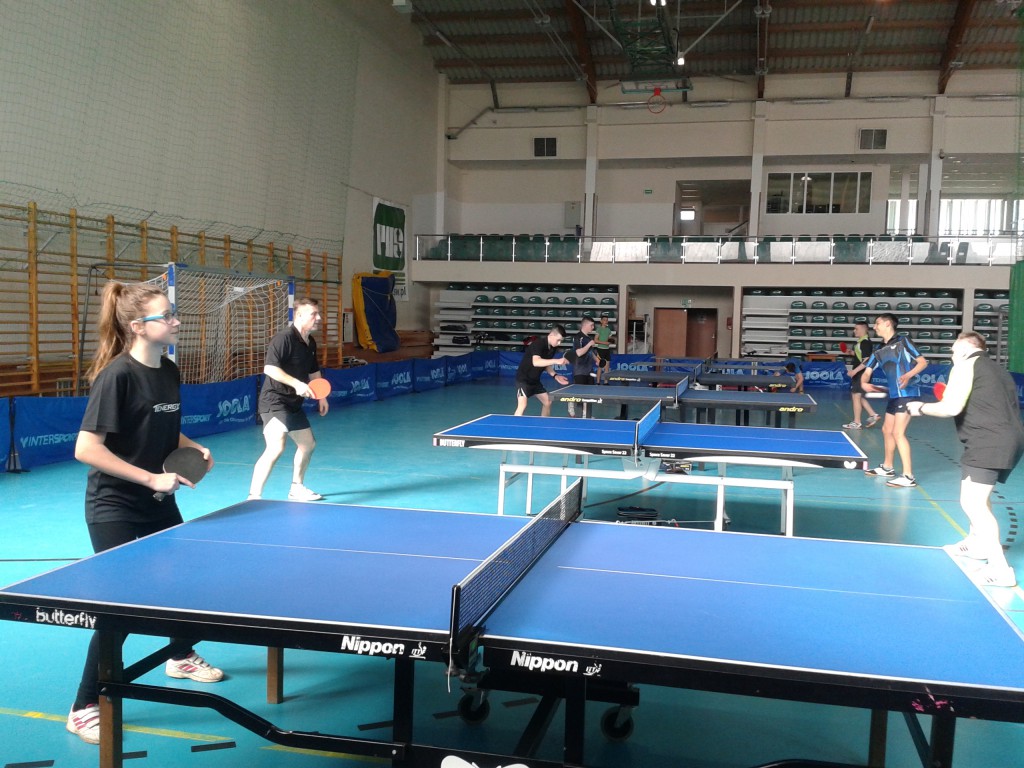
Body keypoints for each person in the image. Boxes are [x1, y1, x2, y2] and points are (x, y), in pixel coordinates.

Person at [68, 281, 220, 745]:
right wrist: (152, 479)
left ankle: (180, 655)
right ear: (138, 326)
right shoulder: (117, 376)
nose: (176, 321)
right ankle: (84, 706)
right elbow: (86, 448)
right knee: (120, 608)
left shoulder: (168, 370)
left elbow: (165, 430)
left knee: (184, 584)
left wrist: (194, 447)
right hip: (114, 506)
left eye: (174, 313)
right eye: (167, 315)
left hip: (157, 503)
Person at [907, 332, 1022, 587]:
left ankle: (1000, 569)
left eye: (952, 351)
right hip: (1009, 438)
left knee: (972, 503)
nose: (951, 355)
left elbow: (951, 408)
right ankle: (977, 544)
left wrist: (920, 407)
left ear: (963, 349)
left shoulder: (965, 364)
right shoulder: (998, 370)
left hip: (988, 440)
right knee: (980, 497)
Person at [248, 298, 329, 501]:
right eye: (314, 314)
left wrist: (322, 396)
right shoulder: (284, 338)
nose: (318, 318)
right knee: (276, 447)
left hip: (293, 404)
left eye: (318, 313)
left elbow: (313, 371)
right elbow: (270, 368)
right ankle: (253, 497)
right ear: (299, 315)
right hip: (274, 401)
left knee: (308, 444)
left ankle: (296, 488)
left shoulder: (310, 342)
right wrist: (297, 384)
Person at [861, 313, 928, 488]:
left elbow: (922, 362)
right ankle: (888, 467)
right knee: (886, 430)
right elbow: (867, 371)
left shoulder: (903, 341)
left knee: (898, 433)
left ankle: (908, 476)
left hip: (908, 393)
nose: (874, 327)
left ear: (888, 324)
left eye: (877, 323)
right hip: (895, 395)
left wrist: (908, 375)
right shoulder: (878, 350)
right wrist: (864, 382)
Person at [515, 324, 569, 416]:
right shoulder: (538, 344)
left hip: (535, 381)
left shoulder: (553, 348)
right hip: (523, 380)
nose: (559, 343)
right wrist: (556, 361)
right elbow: (536, 362)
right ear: (551, 335)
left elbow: (546, 364)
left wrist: (555, 376)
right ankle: (514, 424)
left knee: (547, 402)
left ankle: (544, 422)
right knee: (522, 405)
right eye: (558, 340)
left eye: (561, 341)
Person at [843, 321, 881, 430]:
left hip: (862, 373)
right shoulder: (861, 342)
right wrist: (851, 353)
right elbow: (861, 356)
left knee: (856, 395)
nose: (854, 331)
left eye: (856, 329)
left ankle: (857, 422)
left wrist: (854, 371)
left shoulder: (865, 342)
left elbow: (867, 360)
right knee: (858, 395)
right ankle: (873, 415)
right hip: (861, 373)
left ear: (864, 330)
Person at [567, 316, 600, 416]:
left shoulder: (588, 338)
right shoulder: (578, 338)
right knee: (579, 394)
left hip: (589, 370)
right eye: (591, 325)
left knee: (589, 395)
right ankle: (571, 404)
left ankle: (586, 415)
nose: (593, 327)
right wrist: (589, 344)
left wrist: (597, 359)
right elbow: (579, 353)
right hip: (579, 370)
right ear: (585, 325)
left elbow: (590, 352)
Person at [593, 313, 614, 384]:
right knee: (600, 366)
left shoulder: (609, 330)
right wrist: (605, 343)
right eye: (604, 320)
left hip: (607, 350)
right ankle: (598, 382)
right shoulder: (599, 329)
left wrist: (611, 340)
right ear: (601, 321)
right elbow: (595, 340)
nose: (605, 321)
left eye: (606, 320)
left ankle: (606, 382)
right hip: (600, 349)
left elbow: (610, 339)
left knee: (607, 366)